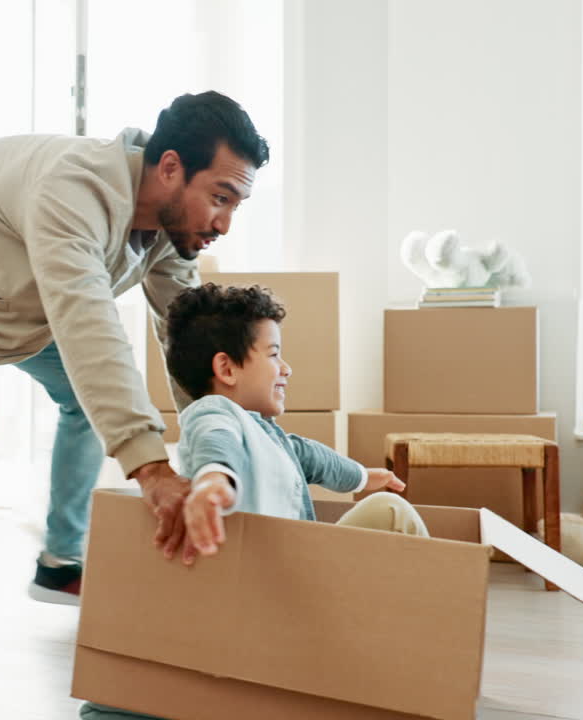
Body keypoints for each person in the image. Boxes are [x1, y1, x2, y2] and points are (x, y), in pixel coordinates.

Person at [0, 92, 270, 663]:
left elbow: (191, 339)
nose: (223, 223)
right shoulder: (74, 189)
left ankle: (59, 561)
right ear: (171, 167)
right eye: (220, 198)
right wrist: (150, 467)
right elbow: (87, 321)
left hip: (8, 292)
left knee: (86, 396)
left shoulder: (169, 233)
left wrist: (229, 443)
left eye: (235, 205)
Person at [78, 282, 428, 719]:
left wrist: (362, 476)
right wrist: (212, 481)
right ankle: (418, 660)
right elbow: (214, 445)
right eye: (274, 353)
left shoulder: (267, 433)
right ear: (227, 368)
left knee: (383, 507)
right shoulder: (215, 415)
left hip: (291, 590)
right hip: (271, 603)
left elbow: (311, 457)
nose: (287, 368)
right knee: (392, 514)